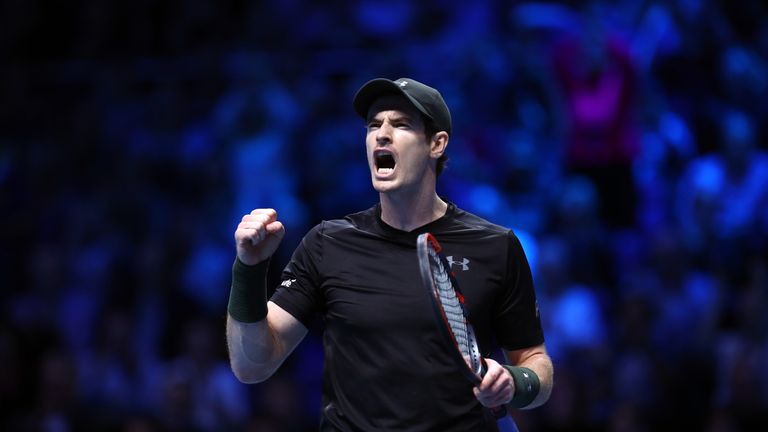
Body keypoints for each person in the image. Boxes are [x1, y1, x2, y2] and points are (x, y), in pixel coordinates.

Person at [226, 77, 554, 431]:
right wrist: (249, 269)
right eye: (373, 125)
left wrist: (515, 382)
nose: (381, 134)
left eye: (400, 125)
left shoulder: (495, 246)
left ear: (436, 143)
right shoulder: (327, 243)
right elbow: (252, 366)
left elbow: (536, 364)